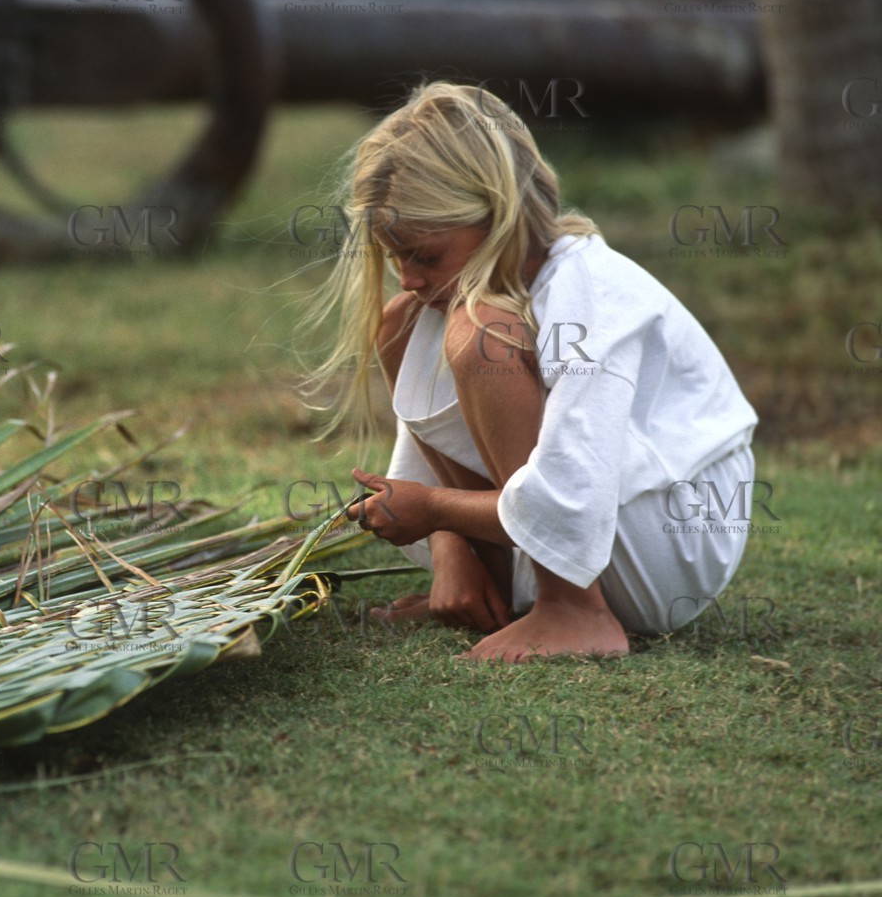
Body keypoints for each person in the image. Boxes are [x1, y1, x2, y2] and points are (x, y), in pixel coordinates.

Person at [303, 82, 760, 662]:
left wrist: (437, 512)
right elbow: (436, 465)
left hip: (672, 539)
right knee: (401, 323)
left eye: (424, 255)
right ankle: (495, 592)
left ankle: (573, 608)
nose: (407, 277)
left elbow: (573, 485)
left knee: (479, 334)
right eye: (395, 258)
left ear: (498, 218)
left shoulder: (586, 292)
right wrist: (452, 551)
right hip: (589, 532)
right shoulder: (446, 304)